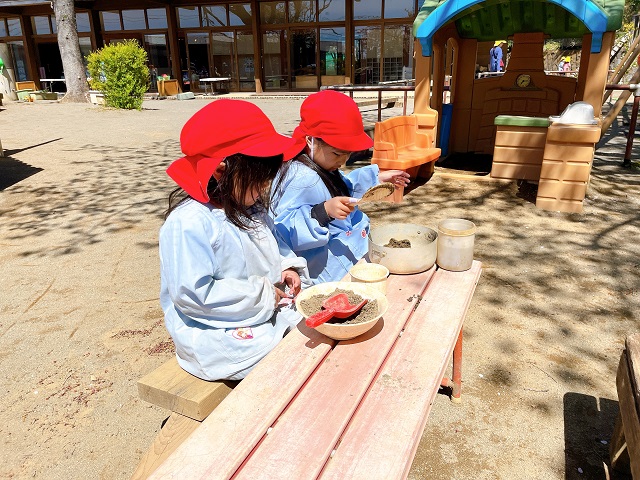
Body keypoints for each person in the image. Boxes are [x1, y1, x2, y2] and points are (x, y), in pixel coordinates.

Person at [159, 99, 310, 381]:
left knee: (309, 329)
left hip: (261, 306)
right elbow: (194, 294)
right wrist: (263, 295)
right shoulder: (189, 223)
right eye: (259, 179)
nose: (265, 187)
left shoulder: (249, 207)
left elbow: (272, 244)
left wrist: (286, 266)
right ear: (221, 170)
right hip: (214, 325)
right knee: (281, 357)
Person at [271, 90, 410, 284]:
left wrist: (375, 178)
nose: (343, 161)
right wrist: (322, 212)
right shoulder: (301, 177)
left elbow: (341, 187)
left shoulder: (321, 164)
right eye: (337, 154)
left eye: (348, 154)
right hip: (328, 275)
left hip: (348, 260)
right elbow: (282, 229)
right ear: (311, 141)